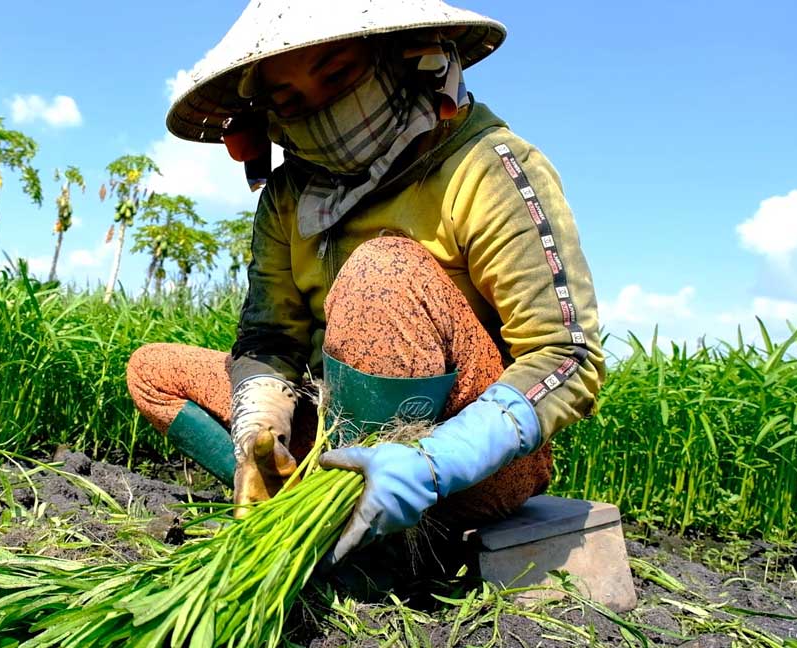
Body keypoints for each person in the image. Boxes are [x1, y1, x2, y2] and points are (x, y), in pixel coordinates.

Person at [127, 0, 604, 577]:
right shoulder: (286, 198)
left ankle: (386, 528)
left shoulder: (487, 165)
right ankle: (284, 501)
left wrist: (433, 462)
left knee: (381, 272)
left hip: (464, 454)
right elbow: (268, 341)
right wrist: (259, 431)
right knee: (153, 373)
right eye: (291, 101)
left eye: (336, 74)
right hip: (333, 426)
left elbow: (567, 356)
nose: (321, 107)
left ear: (398, 58)